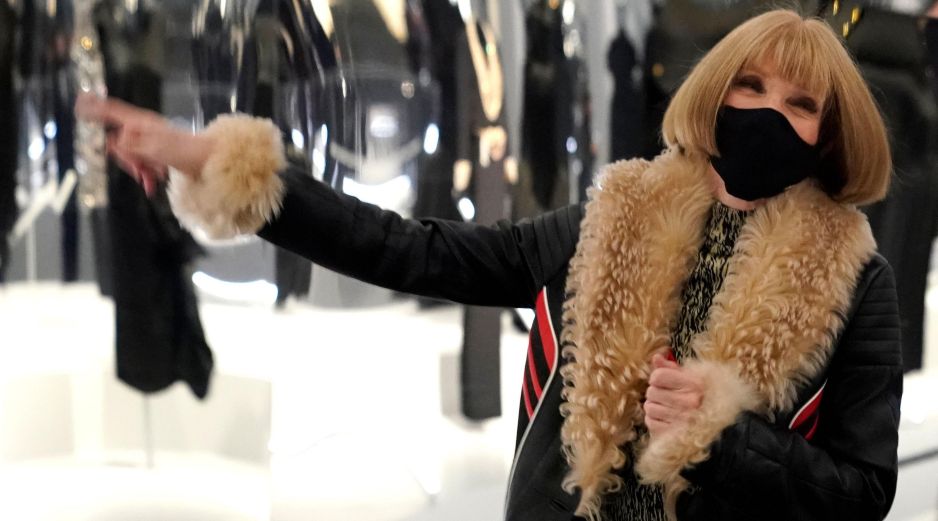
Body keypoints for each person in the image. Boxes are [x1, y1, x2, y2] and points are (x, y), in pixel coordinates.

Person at [76, 9, 902, 521]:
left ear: (828, 134)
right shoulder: (611, 221)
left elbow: (863, 491)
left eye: (800, 104)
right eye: (750, 86)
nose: (768, 112)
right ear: (715, 93)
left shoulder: (852, 281)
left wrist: (724, 436)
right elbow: (417, 250)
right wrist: (225, 166)